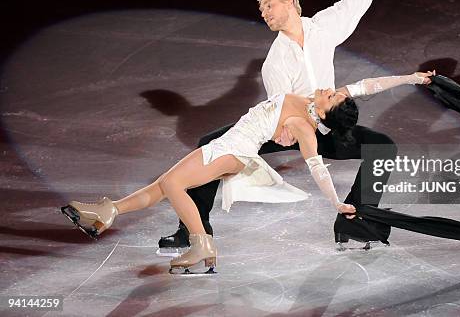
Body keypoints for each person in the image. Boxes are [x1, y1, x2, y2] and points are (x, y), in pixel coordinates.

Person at [158, 0, 406, 253]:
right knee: (211, 144)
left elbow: (352, 5)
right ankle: (193, 231)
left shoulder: (322, 27)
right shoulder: (275, 60)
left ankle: (353, 222)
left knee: (383, 147)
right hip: (291, 128)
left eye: (269, 5)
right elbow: (279, 116)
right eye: (261, 9)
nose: (264, 13)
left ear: (291, 2)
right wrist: (286, 128)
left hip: (326, 124)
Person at [61, 72, 434, 273]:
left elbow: (317, 166)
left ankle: (200, 244)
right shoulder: (309, 103)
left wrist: (337, 202)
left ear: (326, 112)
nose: (332, 90)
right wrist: (411, 79)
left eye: (334, 96)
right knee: (162, 185)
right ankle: (107, 212)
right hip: (224, 145)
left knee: (173, 185)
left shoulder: (305, 128)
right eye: (337, 92)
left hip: (234, 151)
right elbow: (369, 85)